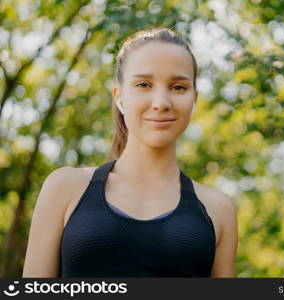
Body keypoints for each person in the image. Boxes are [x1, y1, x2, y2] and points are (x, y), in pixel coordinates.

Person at [22, 27, 238, 277]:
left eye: (178, 87)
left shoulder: (218, 208)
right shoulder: (65, 187)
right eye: (144, 84)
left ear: (194, 99)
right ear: (119, 96)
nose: (161, 103)